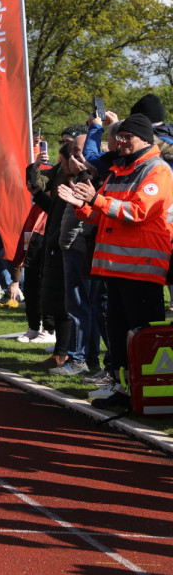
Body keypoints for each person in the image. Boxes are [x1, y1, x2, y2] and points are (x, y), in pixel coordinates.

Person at [59, 113, 173, 408]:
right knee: (119, 335)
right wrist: (82, 205)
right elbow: (101, 214)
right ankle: (124, 389)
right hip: (116, 268)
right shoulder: (119, 169)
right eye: (119, 136)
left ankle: (149, 394)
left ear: (144, 138)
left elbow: (137, 212)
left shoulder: (157, 170)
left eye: (126, 137)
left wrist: (95, 200)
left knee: (141, 334)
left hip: (142, 268)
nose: (120, 141)